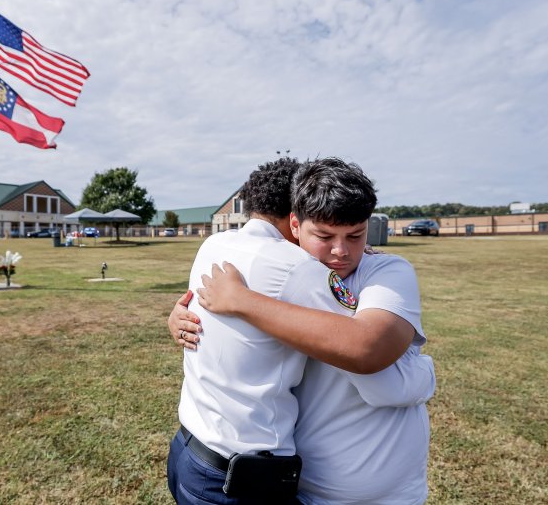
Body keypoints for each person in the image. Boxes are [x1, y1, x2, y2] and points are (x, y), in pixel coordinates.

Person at [168, 157, 435, 504]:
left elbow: (366, 351)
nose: (340, 250)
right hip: (255, 477)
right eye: (324, 235)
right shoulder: (296, 269)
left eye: (355, 235)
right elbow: (370, 357)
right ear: (294, 224)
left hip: (197, 453)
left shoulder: (216, 247)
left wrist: (227, 304)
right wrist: (426, 374)